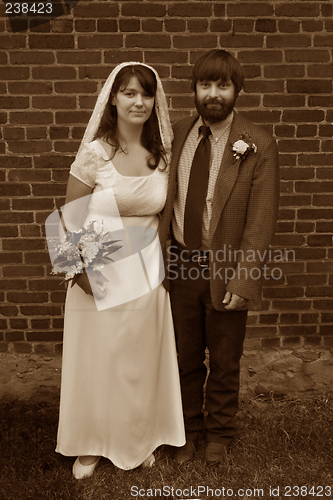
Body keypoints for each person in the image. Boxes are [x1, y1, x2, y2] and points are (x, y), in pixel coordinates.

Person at [54, 62, 185, 479]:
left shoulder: (161, 156)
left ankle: (136, 437)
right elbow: (69, 215)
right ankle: (91, 443)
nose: (138, 101)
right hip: (99, 273)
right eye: (129, 92)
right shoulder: (95, 153)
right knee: (99, 359)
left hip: (147, 274)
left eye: (146, 94)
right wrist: (77, 271)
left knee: (137, 361)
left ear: (155, 101)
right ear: (113, 98)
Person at [159, 49, 280, 463]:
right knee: (184, 355)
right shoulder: (176, 134)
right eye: (205, 85)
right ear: (193, 89)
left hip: (226, 270)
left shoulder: (258, 142)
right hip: (180, 264)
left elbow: (261, 221)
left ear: (236, 90)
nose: (213, 94)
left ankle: (220, 433)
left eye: (222, 86)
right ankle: (188, 429)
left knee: (225, 360)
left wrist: (244, 280)